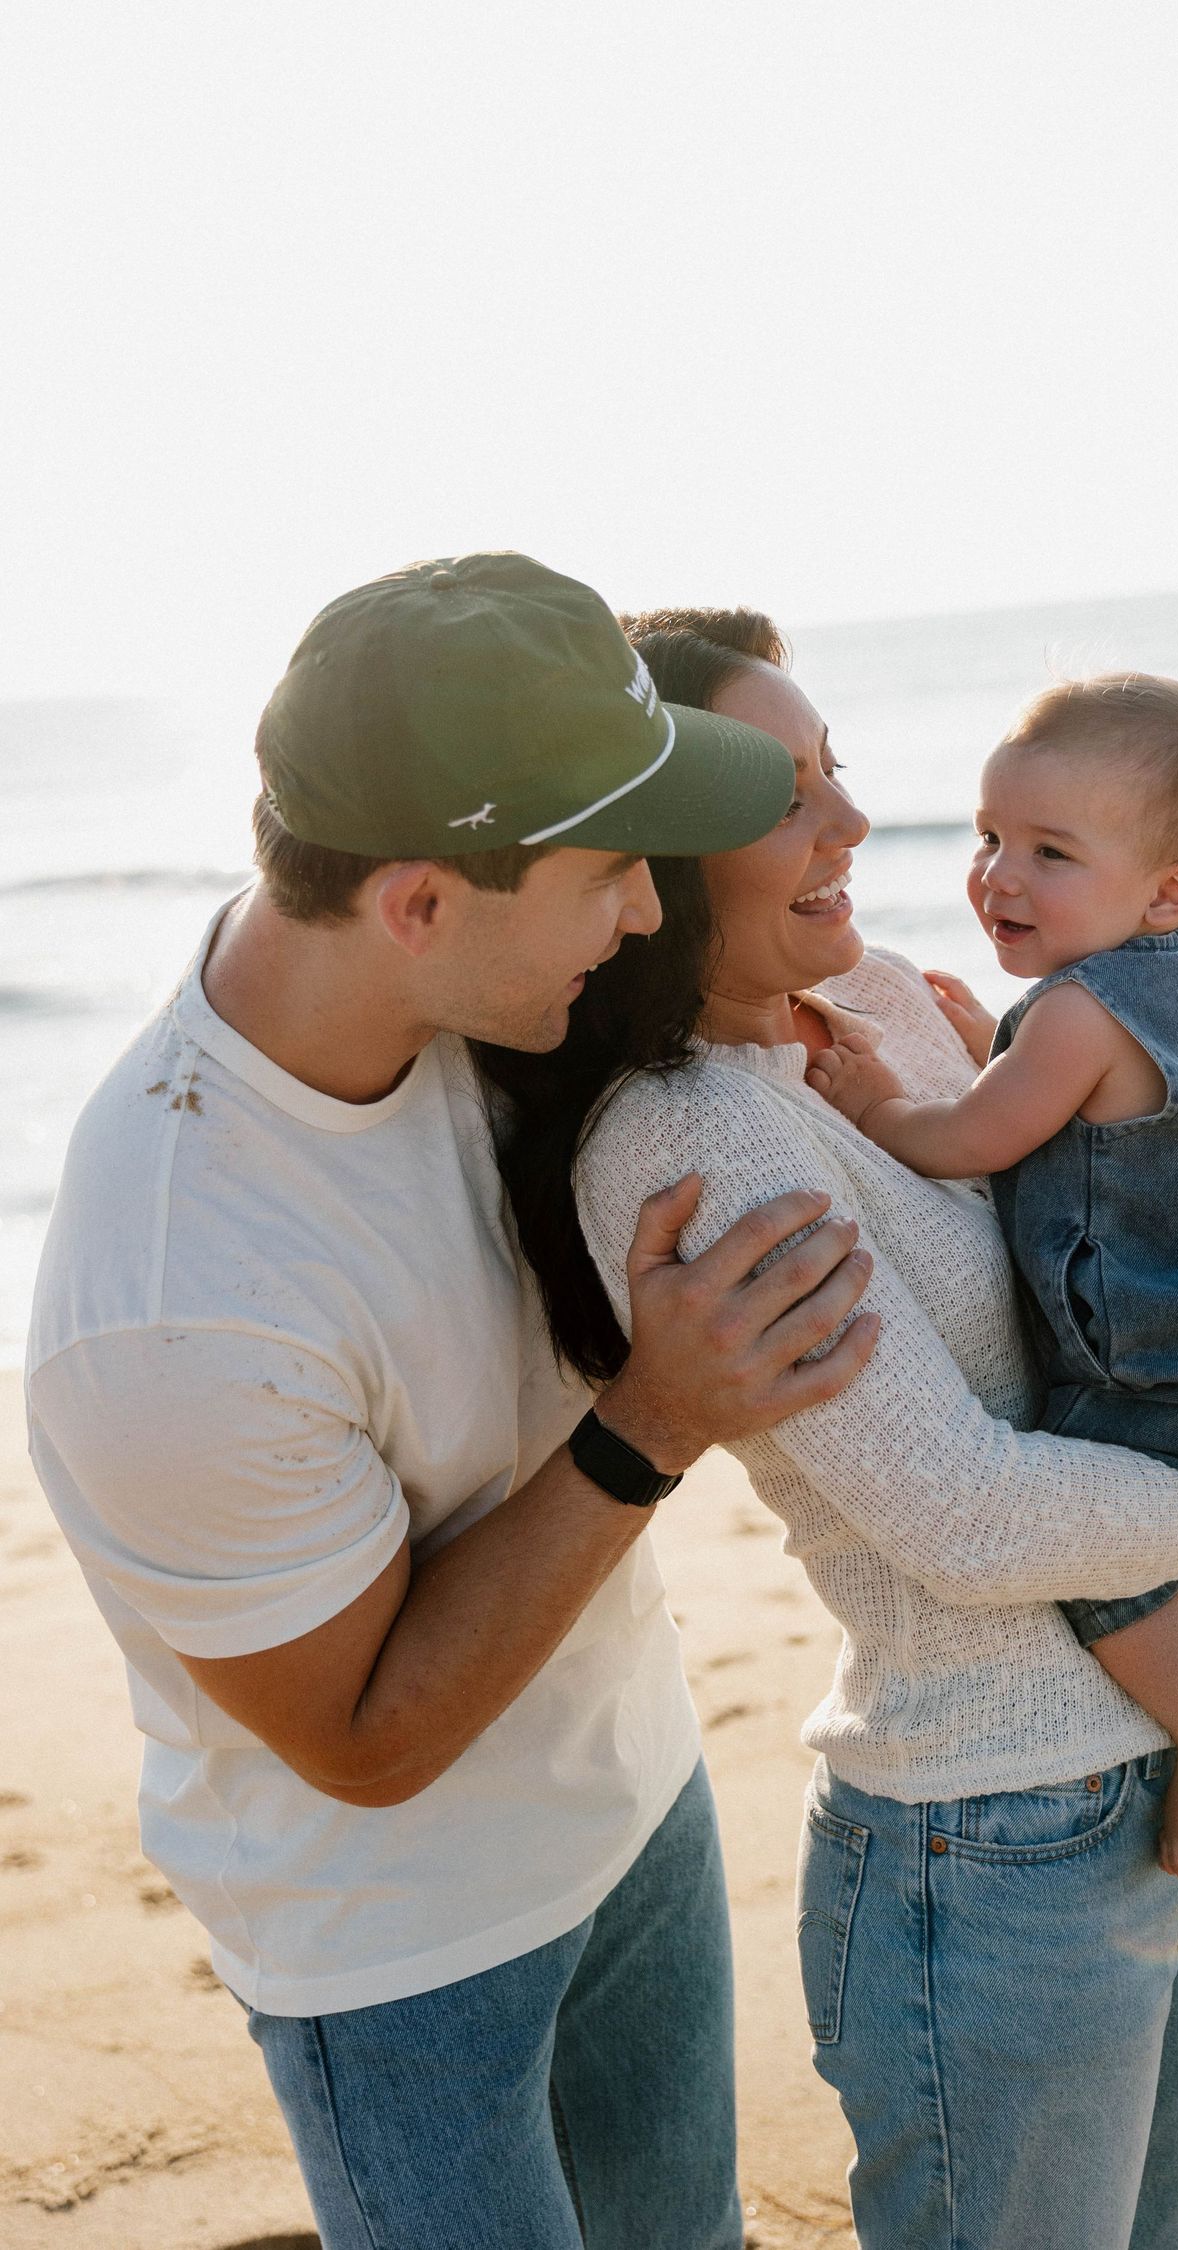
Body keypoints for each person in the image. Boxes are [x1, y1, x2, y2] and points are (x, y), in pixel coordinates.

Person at [481, 606, 1178, 2250]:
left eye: (839, 770)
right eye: (786, 793)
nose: (851, 824)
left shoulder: (898, 1002)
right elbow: (961, 1519)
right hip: (995, 1844)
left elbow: (1169, 1219)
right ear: (657, 854)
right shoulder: (691, 1145)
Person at [24, 554, 883, 2250]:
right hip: (400, 1951)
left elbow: (811, 984)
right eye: (616, 873)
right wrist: (654, 1418)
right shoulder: (173, 1305)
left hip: (636, 1803)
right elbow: (366, 1738)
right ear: (420, 901)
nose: (649, 913)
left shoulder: (505, 993)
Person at [807, 671, 1178, 1876]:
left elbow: (973, 1139)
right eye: (988, 836)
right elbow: (1115, 1126)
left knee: (1095, 1551)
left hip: (1155, 1370)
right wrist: (995, 1047)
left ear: (1171, 887)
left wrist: (881, 1101)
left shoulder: (1072, 1013)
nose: (999, 876)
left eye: (1051, 852)